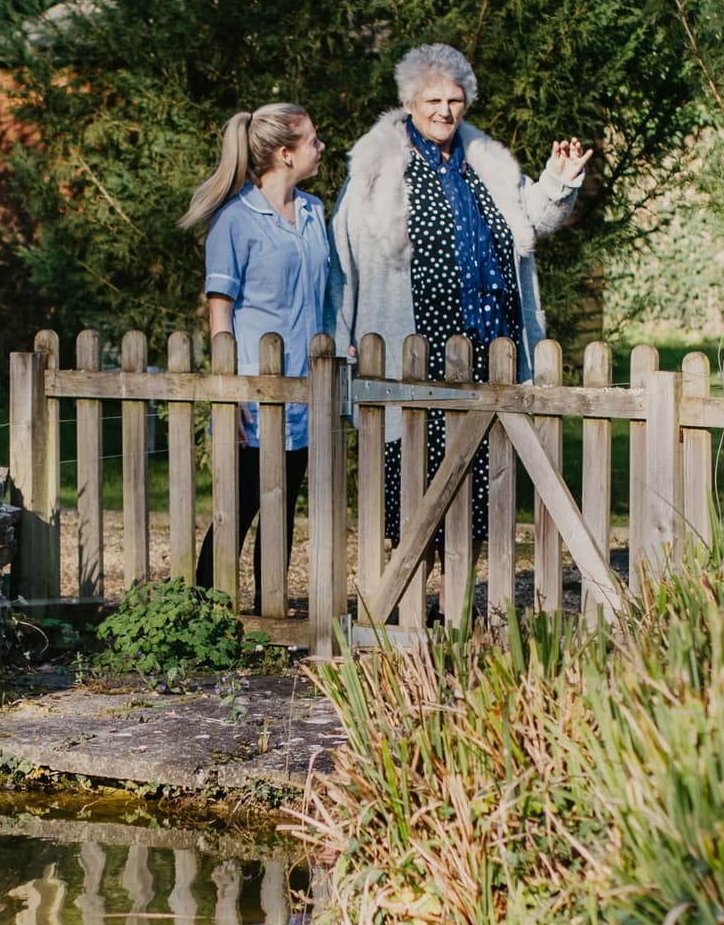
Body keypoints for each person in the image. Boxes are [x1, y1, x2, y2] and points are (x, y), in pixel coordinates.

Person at [332, 46, 592, 593]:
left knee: (479, 485)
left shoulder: (486, 164)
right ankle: (402, 606)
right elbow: (343, 264)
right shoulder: (377, 171)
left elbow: (531, 222)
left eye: (454, 99)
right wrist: (344, 336)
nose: (445, 110)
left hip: (485, 349)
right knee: (412, 487)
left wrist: (560, 181)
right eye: (433, 100)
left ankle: (458, 605)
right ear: (408, 102)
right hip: (412, 354)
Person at [185, 103, 332, 588]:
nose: (321, 147)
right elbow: (219, 308)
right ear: (286, 154)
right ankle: (203, 607)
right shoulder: (236, 221)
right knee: (243, 503)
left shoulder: (313, 212)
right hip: (254, 392)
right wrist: (231, 388)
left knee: (284, 502)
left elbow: (324, 295)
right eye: (313, 140)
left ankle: (270, 610)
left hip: (307, 391)